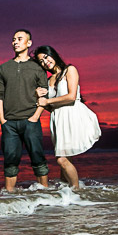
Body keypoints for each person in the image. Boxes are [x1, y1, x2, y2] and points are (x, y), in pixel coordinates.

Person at [34, 45, 101, 189]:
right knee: (65, 158)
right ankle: (66, 194)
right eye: (41, 61)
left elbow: (71, 97)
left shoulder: (70, 70)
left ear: (53, 54)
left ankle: (76, 191)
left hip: (72, 115)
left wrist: (47, 101)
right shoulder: (48, 81)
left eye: (46, 57)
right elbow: (50, 107)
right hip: (58, 120)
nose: (45, 62)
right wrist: (39, 99)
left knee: (61, 159)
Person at [0, 29, 50, 191]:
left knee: (37, 157)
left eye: (20, 39)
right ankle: (9, 197)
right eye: (13, 39)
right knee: (10, 160)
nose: (15, 42)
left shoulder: (37, 67)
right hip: (9, 123)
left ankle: (46, 195)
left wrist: (35, 117)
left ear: (29, 43)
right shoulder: (4, 67)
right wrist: (2, 120)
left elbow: (43, 94)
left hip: (30, 120)